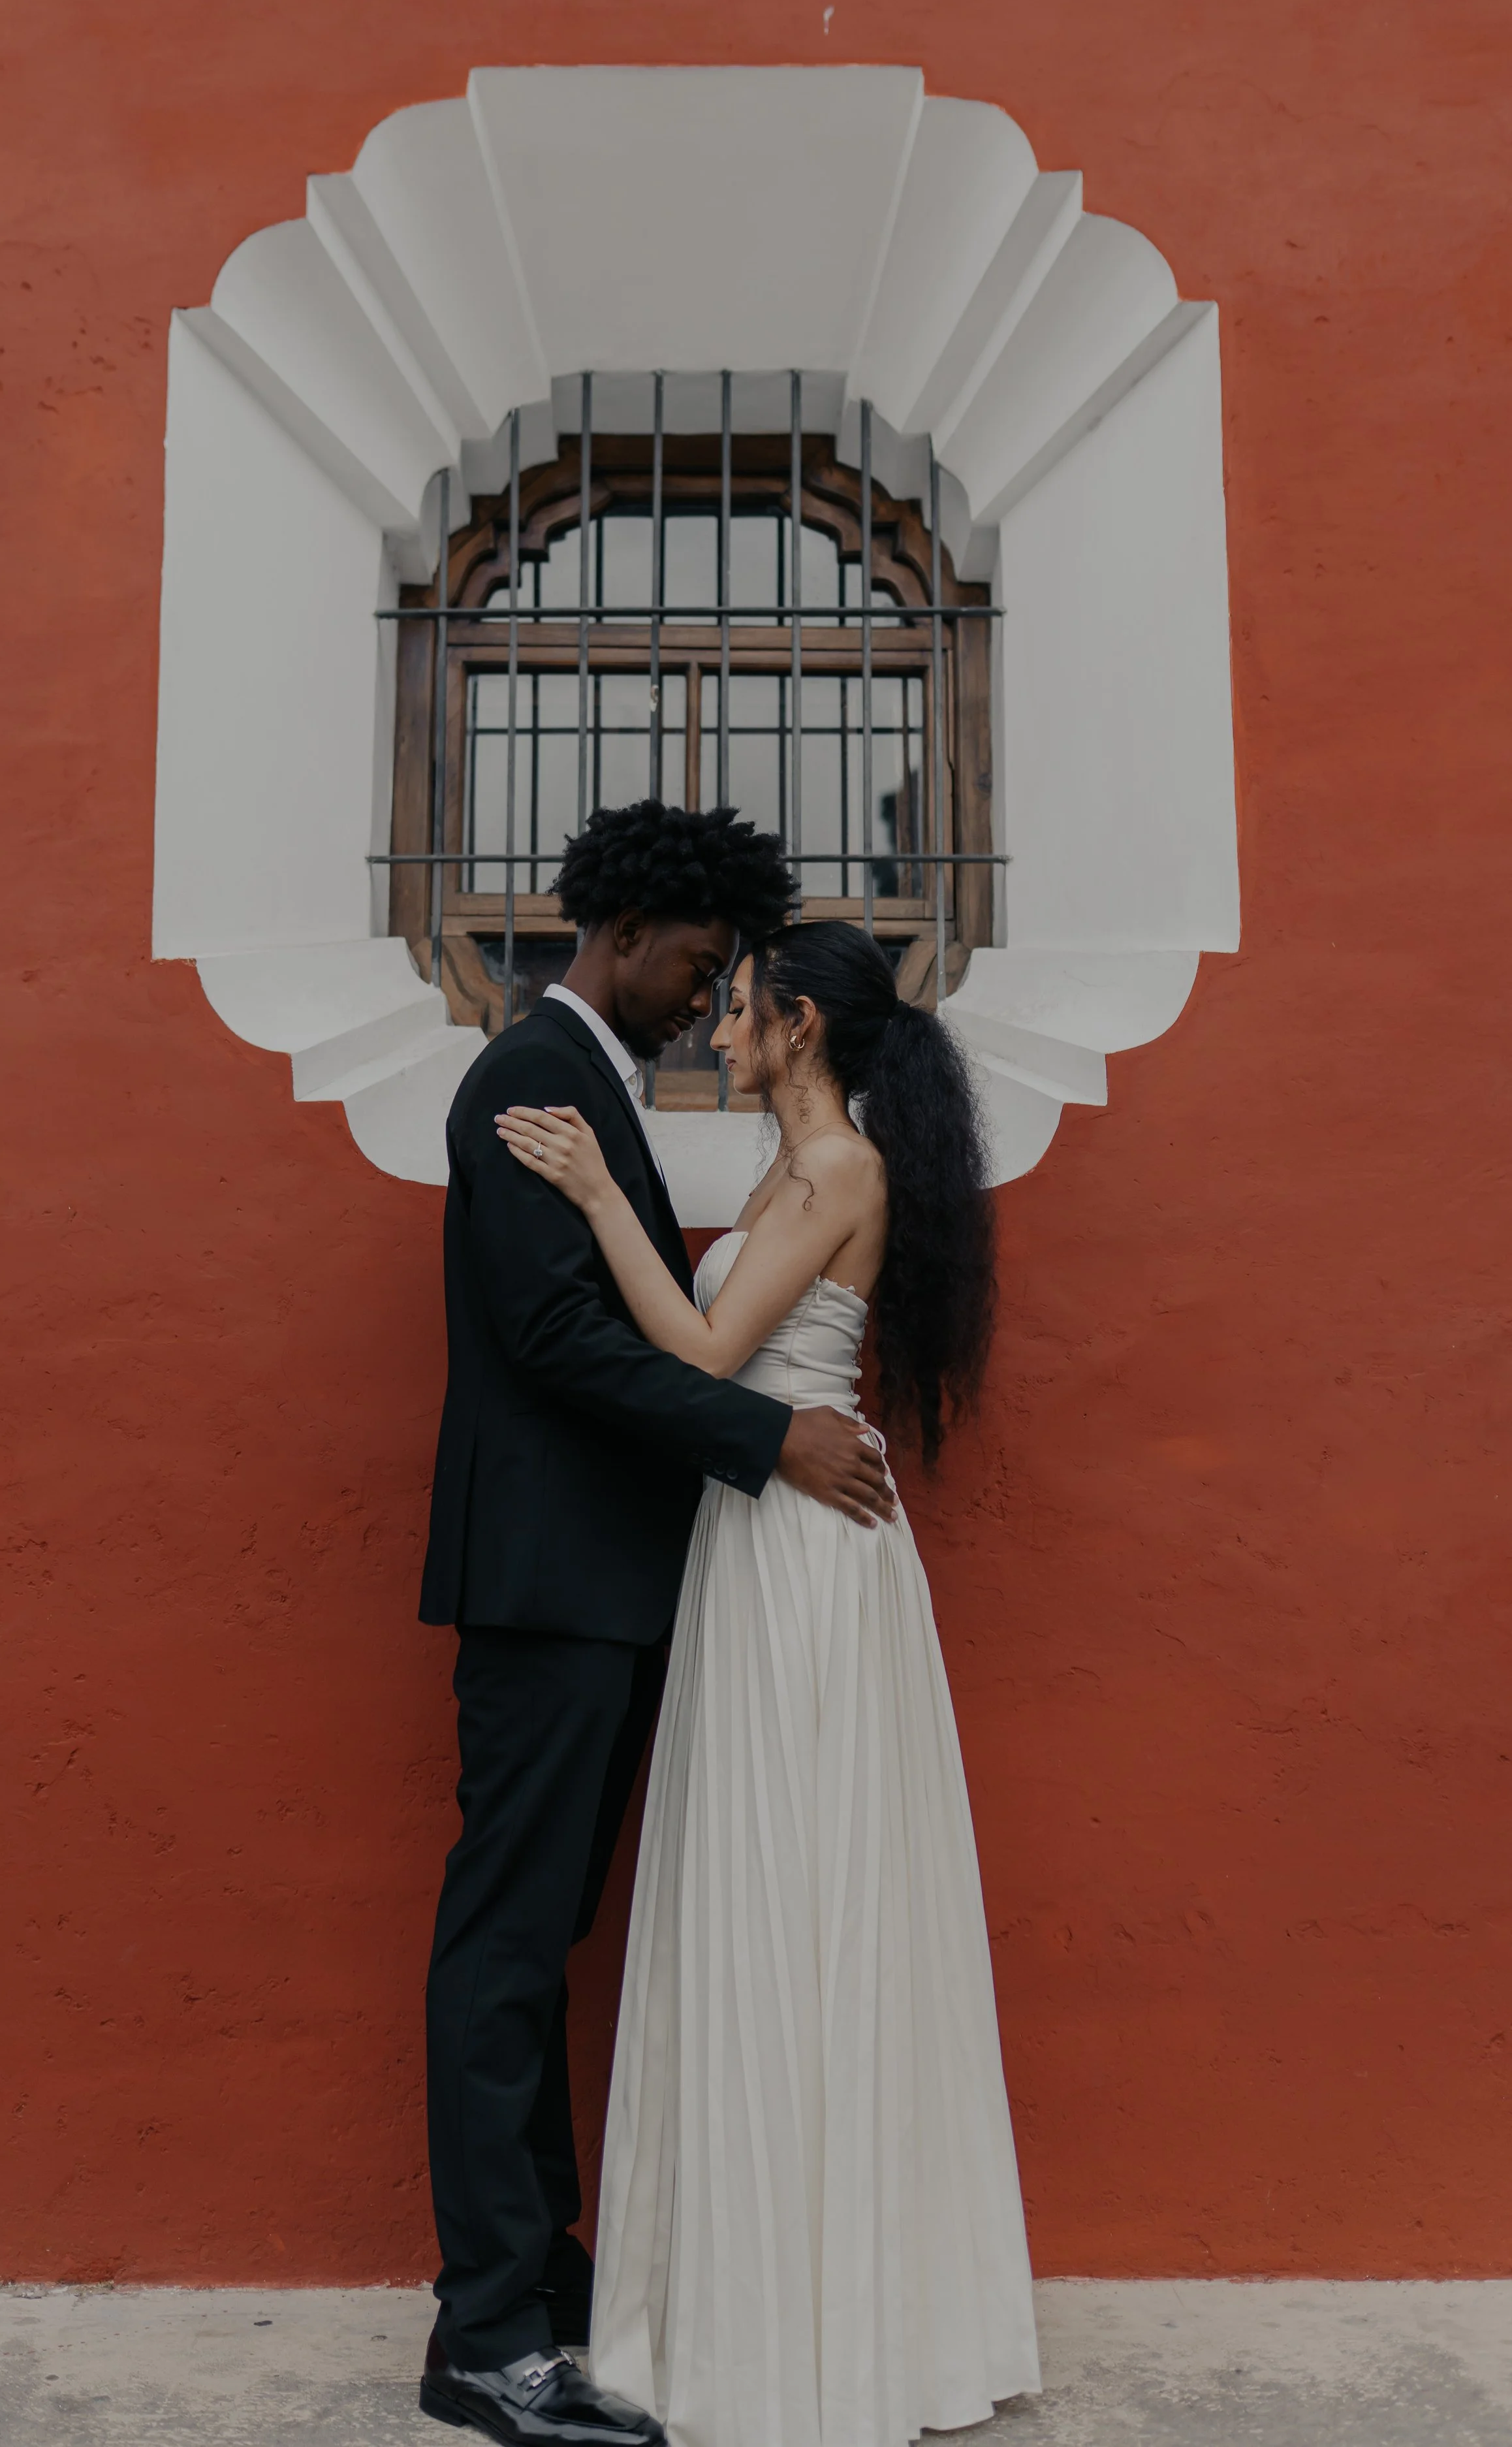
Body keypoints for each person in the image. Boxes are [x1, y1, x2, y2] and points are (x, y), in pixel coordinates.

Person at [494, 920, 1042, 2447]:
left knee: (806, 1896)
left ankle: (820, 2327)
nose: (714, 1031)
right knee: (766, 1895)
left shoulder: (838, 1172)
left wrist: (599, 1190)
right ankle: (766, 2297)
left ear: (799, 1025)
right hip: (755, 1547)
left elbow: (699, 1343)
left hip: (803, 1569)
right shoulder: (789, 1173)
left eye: (737, 1010)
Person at [417, 808, 895, 2447]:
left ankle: (536, 2283)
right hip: (549, 1588)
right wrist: (768, 1443)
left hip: (608, 1589)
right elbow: (551, 1336)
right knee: (502, 1950)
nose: (707, 998)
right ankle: (484, 2338)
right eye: (699, 961)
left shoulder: (591, 1082)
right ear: (625, 928)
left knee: (537, 1945)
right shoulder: (519, 1083)